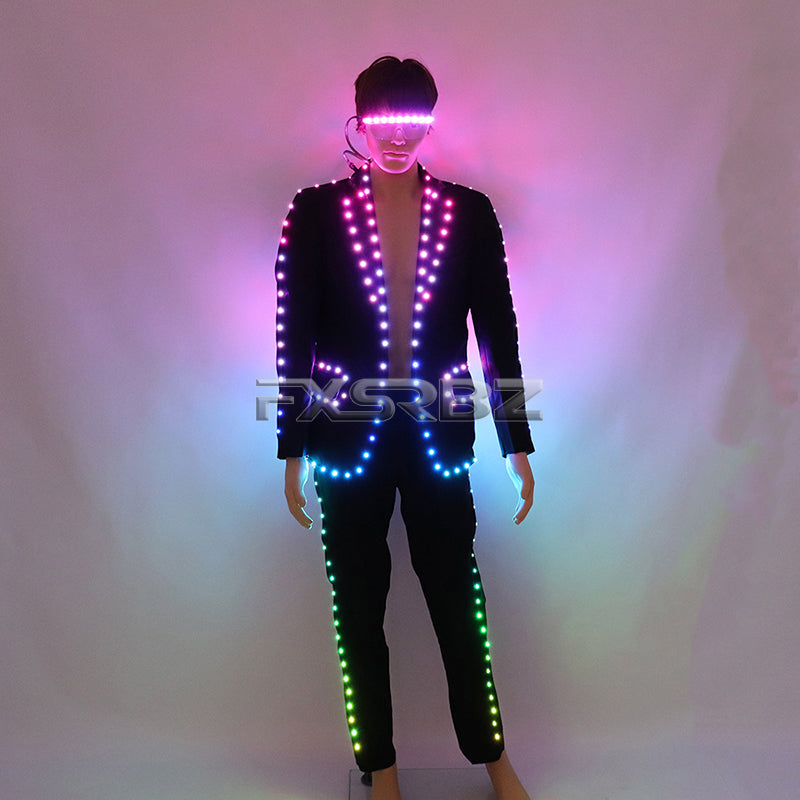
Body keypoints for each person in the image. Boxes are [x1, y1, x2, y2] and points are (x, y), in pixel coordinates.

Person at [275, 56, 534, 800]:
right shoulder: (315, 212)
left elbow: (498, 331)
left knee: (459, 603)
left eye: (414, 123)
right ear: (359, 122)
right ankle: (379, 769)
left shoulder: (467, 213)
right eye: (383, 123)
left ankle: (493, 757)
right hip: (344, 438)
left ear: (430, 123)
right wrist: (292, 444)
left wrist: (516, 438)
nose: (398, 138)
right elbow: (293, 333)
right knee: (358, 611)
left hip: (436, 438)